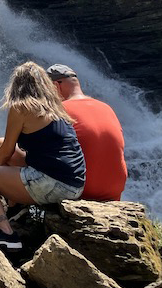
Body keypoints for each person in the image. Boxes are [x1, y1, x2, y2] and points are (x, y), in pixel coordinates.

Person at [0, 62, 85, 251]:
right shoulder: (56, 107)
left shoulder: (21, 107)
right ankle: (15, 208)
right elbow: (5, 147)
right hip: (75, 184)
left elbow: (7, 151)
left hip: (54, 184)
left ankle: (7, 235)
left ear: (17, 85)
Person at [46, 64, 127, 202]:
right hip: (115, 190)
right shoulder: (106, 108)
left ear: (55, 86)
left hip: (82, 190)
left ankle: (14, 219)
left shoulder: (59, 111)